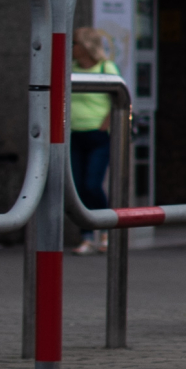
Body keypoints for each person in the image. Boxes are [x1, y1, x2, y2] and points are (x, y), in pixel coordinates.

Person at [68, 26, 120, 256]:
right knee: (77, 188)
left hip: (98, 135)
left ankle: (107, 231)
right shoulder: (70, 69)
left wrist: (105, 125)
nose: (71, 48)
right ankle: (87, 236)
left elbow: (119, 99)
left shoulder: (106, 67)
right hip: (74, 134)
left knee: (92, 184)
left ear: (86, 46)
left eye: (75, 43)